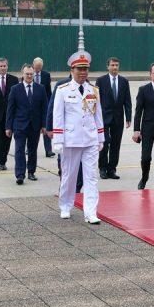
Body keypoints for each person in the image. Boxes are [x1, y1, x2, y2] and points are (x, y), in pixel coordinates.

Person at [52, 51, 104, 224]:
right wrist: (58, 140)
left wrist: (101, 138)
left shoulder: (93, 90)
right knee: (69, 175)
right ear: (72, 70)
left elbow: (98, 115)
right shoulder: (63, 90)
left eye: (85, 69)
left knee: (91, 177)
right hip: (71, 139)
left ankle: (90, 212)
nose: (83, 72)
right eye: (79, 69)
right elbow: (58, 115)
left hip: (90, 139)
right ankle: (65, 206)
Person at [6, 64, 47, 185]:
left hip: (35, 125)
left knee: (33, 150)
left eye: (31, 74)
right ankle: (20, 175)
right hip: (19, 125)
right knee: (19, 150)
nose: (29, 76)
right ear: (22, 74)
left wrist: (44, 125)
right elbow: (10, 109)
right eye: (27, 74)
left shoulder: (40, 88)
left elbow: (44, 108)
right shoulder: (15, 89)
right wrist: (8, 127)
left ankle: (31, 172)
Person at [95, 57, 131, 180]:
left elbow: (127, 100)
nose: (115, 67)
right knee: (104, 143)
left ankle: (112, 169)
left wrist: (128, 117)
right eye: (112, 65)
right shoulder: (101, 81)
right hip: (103, 118)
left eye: (116, 65)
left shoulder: (124, 81)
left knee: (116, 144)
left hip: (118, 118)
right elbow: (96, 100)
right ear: (108, 67)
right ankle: (102, 168)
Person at [46, 75, 83, 193]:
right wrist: (49, 127)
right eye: (79, 69)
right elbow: (53, 107)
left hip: (82, 134)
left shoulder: (88, 86)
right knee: (64, 161)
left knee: (81, 163)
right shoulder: (62, 85)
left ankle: (77, 188)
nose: (83, 72)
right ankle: (64, 185)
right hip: (66, 132)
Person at [132, 62, 154, 189]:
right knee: (146, 157)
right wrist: (136, 130)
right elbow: (138, 112)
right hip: (147, 129)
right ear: (150, 74)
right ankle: (144, 178)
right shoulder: (143, 90)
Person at [33, 57, 54, 157]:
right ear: (33, 65)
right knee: (33, 129)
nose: (38, 69)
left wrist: (50, 104)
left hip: (44, 105)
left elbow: (49, 91)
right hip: (32, 105)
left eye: (40, 67)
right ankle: (31, 148)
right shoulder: (28, 74)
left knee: (46, 126)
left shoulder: (46, 75)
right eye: (37, 67)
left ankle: (48, 150)